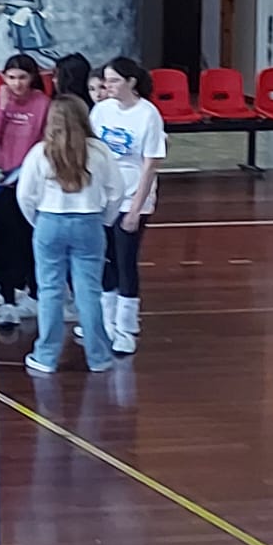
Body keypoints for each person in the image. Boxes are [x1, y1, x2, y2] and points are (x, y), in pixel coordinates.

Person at [16, 95, 125, 375]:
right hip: (89, 221)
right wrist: (105, 220)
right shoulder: (99, 151)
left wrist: (37, 222)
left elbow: (25, 195)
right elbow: (117, 192)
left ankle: (46, 356)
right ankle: (98, 356)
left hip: (49, 220)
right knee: (89, 291)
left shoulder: (40, 152)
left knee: (50, 290)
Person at [90, 57, 166, 355]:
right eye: (106, 81)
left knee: (125, 260)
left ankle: (126, 327)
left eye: (114, 81)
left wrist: (136, 208)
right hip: (103, 198)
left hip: (132, 197)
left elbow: (150, 165)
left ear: (131, 82)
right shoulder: (102, 110)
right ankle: (107, 321)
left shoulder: (148, 115)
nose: (107, 87)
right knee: (104, 259)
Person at [0, 55, 49, 325]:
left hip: (31, 183)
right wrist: (2, 107)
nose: (17, 83)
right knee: (1, 239)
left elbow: (44, 142)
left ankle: (32, 292)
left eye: (22, 77)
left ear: (32, 78)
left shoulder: (43, 104)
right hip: (2, 181)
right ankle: (6, 294)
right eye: (11, 78)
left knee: (28, 240)